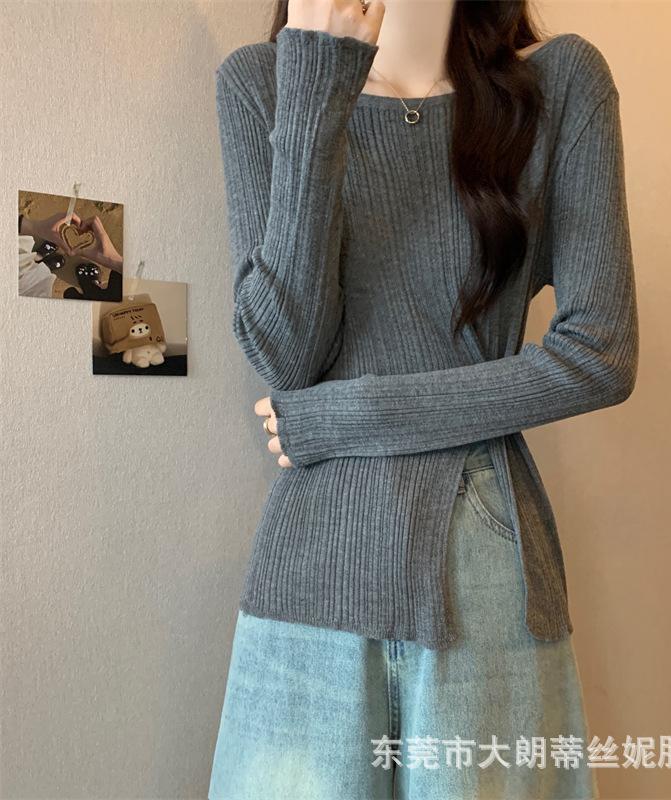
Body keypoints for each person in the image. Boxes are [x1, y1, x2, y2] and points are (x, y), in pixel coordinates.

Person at [209, 0, 638, 797]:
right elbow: (285, 353)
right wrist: (317, 79)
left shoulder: (558, 84)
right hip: (316, 562)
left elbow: (599, 356)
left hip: (484, 564)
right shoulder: (262, 83)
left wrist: (348, 415)